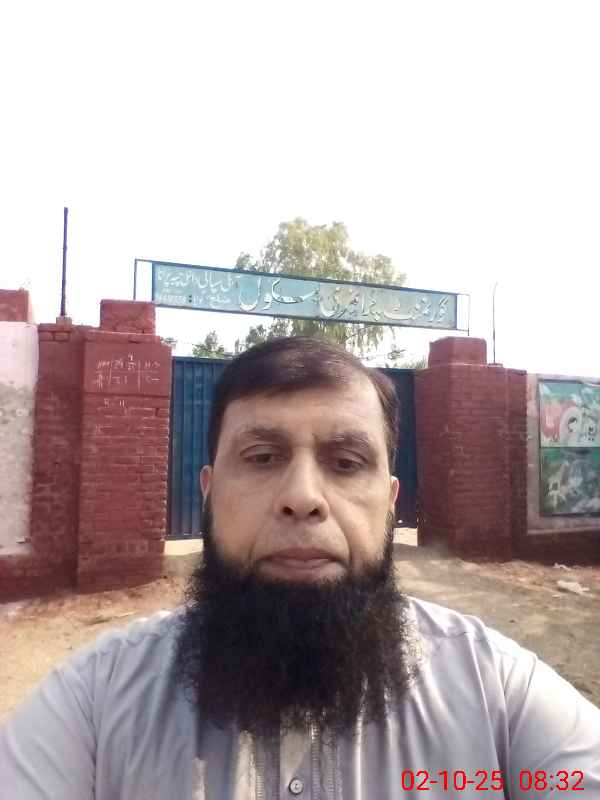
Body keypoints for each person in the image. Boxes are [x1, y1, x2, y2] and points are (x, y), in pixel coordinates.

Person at [1, 336, 599, 799]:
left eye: (346, 462)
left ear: (391, 504)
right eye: (262, 457)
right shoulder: (97, 701)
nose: (302, 497)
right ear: (209, 494)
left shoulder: (495, 692)